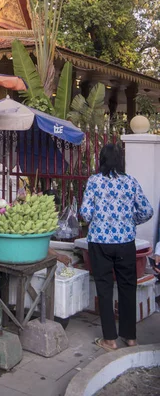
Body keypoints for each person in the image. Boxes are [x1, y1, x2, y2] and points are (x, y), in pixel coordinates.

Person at [80, 143, 153, 352]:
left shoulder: (94, 182)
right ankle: (130, 338)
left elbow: (85, 213)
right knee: (127, 288)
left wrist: (99, 220)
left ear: (101, 160)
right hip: (125, 243)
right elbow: (147, 210)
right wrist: (130, 221)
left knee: (104, 288)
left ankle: (109, 340)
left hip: (100, 242)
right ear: (121, 161)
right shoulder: (130, 182)